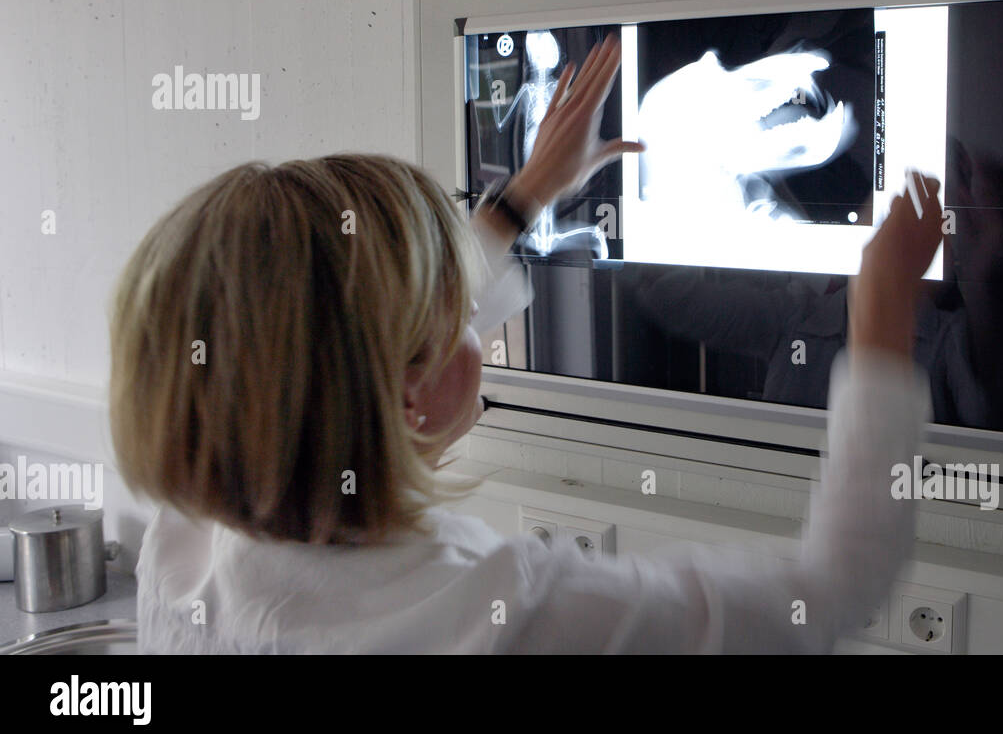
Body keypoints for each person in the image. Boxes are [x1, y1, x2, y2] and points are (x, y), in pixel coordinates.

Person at [110, 34, 943, 653]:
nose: (475, 321)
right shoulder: (505, 612)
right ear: (405, 393)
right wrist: (878, 331)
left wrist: (528, 193)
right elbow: (831, 591)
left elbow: (341, 329)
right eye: (455, 317)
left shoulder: (186, 544)